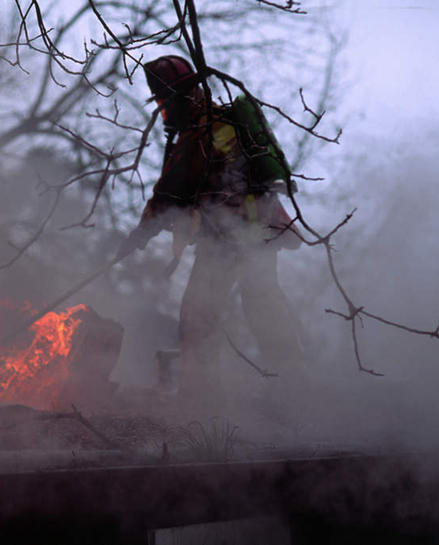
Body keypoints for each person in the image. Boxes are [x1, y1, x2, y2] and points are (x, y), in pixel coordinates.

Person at [117, 55, 304, 403]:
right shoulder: (225, 122)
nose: (162, 109)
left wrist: (138, 237)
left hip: (227, 240)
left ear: (175, 98)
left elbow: (168, 194)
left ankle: (200, 400)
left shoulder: (196, 135)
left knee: (197, 317)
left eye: (162, 100)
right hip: (262, 232)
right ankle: (295, 386)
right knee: (264, 307)